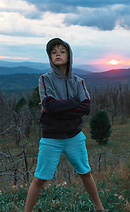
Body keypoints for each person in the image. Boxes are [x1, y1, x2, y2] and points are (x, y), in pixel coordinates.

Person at [24, 38, 105, 212]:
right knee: (39, 179)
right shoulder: (45, 79)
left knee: (86, 173)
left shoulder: (78, 81)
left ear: (69, 55)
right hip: (52, 137)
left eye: (62, 51)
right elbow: (50, 106)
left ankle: (99, 208)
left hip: (74, 136)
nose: (58, 54)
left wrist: (58, 109)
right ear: (50, 57)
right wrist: (74, 101)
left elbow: (86, 108)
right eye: (53, 52)